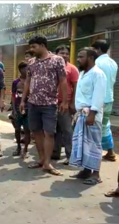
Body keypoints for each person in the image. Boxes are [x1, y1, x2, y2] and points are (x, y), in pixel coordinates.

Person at [20, 34, 68, 176]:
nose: (32, 50)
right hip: (33, 103)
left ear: (42, 45)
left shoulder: (57, 60)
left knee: (49, 133)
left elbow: (63, 81)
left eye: (34, 46)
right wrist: (23, 100)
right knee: (37, 132)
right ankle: (41, 159)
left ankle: (47, 162)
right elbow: (28, 81)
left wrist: (64, 101)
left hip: (49, 104)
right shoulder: (32, 62)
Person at [69, 47, 106, 185]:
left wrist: (92, 113)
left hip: (91, 115)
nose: (78, 59)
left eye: (81, 57)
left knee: (94, 145)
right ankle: (86, 171)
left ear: (90, 58)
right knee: (83, 144)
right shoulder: (83, 73)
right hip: (82, 115)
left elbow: (99, 95)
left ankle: (96, 174)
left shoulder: (98, 73)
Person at [92, 39, 119, 162]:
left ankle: (94, 157)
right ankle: (110, 152)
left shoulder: (96, 62)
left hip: (99, 99)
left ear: (97, 49)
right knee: (104, 126)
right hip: (109, 98)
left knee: (96, 127)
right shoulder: (113, 62)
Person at [52, 45, 79, 164]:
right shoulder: (51, 67)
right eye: (61, 53)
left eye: (67, 53)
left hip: (65, 104)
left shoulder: (72, 69)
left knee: (67, 130)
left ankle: (70, 156)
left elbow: (76, 87)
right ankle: (55, 153)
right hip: (51, 103)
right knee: (55, 130)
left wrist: (71, 103)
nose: (64, 55)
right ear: (55, 54)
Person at [12, 62, 31, 158]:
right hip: (18, 108)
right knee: (17, 129)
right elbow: (13, 95)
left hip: (29, 109)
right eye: (24, 69)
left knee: (27, 130)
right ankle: (18, 146)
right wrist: (14, 110)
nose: (26, 71)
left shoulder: (32, 81)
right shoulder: (16, 82)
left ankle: (26, 149)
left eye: (27, 69)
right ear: (20, 70)